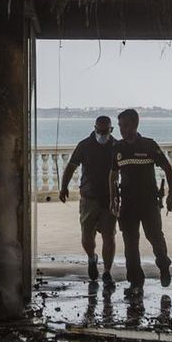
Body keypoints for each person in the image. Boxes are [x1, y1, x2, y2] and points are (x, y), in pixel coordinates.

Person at [108, 108, 172, 296]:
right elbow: (113, 175)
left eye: (126, 125)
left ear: (135, 125)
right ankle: (135, 282)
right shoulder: (118, 148)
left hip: (148, 203)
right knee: (130, 245)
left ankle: (163, 265)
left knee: (155, 238)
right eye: (120, 126)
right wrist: (113, 198)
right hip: (127, 204)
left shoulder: (148, 145)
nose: (122, 130)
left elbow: (167, 169)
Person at [59, 116, 117, 286]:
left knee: (109, 236)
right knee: (86, 237)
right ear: (94, 128)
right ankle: (92, 258)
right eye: (98, 130)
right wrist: (64, 187)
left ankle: (107, 271)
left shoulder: (116, 146)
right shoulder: (84, 145)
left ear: (111, 130)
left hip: (109, 199)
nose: (101, 134)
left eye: (105, 131)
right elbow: (71, 166)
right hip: (88, 199)